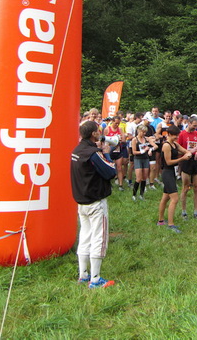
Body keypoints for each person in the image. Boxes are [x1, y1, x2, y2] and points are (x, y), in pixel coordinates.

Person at [71, 121, 117, 288]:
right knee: (99, 238)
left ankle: (83, 275)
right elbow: (110, 172)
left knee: (85, 236)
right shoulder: (93, 153)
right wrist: (106, 154)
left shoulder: (77, 150)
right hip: (95, 202)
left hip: (81, 200)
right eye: (98, 130)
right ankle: (96, 279)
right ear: (94, 134)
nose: (100, 132)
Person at [157, 125, 192, 233]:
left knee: (165, 197)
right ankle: (171, 224)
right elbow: (168, 162)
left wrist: (188, 153)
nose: (176, 137)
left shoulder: (175, 144)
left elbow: (185, 151)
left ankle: (161, 220)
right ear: (169, 135)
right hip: (167, 172)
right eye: (174, 136)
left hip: (172, 172)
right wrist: (182, 158)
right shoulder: (166, 146)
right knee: (175, 198)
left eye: (177, 135)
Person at [178, 116, 197, 221]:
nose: (195, 128)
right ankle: (184, 211)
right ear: (189, 123)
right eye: (194, 126)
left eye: (196, 126)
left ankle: (196, 212)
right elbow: (178, 150)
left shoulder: (196, 134)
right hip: (186, 162)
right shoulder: (182, 134)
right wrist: (189, 152)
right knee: (186, 188)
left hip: (196, 162)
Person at [130, 124, 157, 200]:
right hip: (138, 159)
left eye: (145, 132)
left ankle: (141, 195)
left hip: (145, 159)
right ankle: (134, 195)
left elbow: (155, 146)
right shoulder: (134, 140)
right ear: (139, 131)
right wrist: (143, 151)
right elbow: (134, 152)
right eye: (143, 132)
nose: (144, 134)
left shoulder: (146, 139)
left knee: (144, 177)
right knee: (138, 178)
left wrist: (150, 149)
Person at [103, 116, 127, 190]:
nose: (117, 125)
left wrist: (121, 139)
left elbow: (124, 140)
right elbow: (103, 140)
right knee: (110, 167)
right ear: (112, 121)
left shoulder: (120, 129)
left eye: (118, 123)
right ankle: (109, 184)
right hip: (109, 151)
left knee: (119, 167)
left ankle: (120, 185)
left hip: (118, 150)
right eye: (116, 123)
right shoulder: (107, 129)